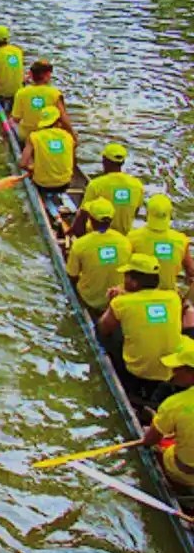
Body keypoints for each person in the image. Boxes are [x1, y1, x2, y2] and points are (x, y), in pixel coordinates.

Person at [97, 253, 183, 399]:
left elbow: (103, 329)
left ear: (134, 282)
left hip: (135, 371)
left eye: (126, 276)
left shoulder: (121, 303)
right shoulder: (173, 297)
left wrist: (111, 303)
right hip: (168, 370)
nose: (123, 280)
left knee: (105, 329)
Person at [141, 337, 194, 488]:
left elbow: (149, 440)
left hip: (184, 473)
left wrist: (154, 428)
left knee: (150, 434)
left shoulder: (175, 404)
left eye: (177, 368)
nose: (172, 372)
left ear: (190, 372)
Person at [66, 198, 132, 313]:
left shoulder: (80, 244)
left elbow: (72, 275)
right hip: (116, 298)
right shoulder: (125, 241)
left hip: (89, 299)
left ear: (90, 219)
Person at [71, 143, 144, 237]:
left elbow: (83, 216)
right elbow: (135, 212)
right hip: (124, 236)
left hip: (97, 235)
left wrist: (76, 235)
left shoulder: (96, 185)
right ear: (122, 162)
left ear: (104, 160)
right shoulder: (137, 185)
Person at [128, 195, 194, 292]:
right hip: (170, 300)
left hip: (140, 296)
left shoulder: (132, 238)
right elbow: (191, 272)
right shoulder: (181, 240)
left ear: (147, 213)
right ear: (170, 214)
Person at [10, 59, 74, 142]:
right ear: (47, 75)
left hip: (27, 136)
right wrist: (72, 135)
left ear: (31, 75)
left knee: (11, 122)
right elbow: (64, 120)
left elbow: (16, 118)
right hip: (48, 136)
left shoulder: (21, 92)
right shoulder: (55, 93)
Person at [19, 105, 75, 196]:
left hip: (42, 185)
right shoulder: (68, 136)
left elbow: (22, 164)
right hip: (65, 183)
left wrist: (32, 169)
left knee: (31, 156)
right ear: (58, 121)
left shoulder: (34, 136)